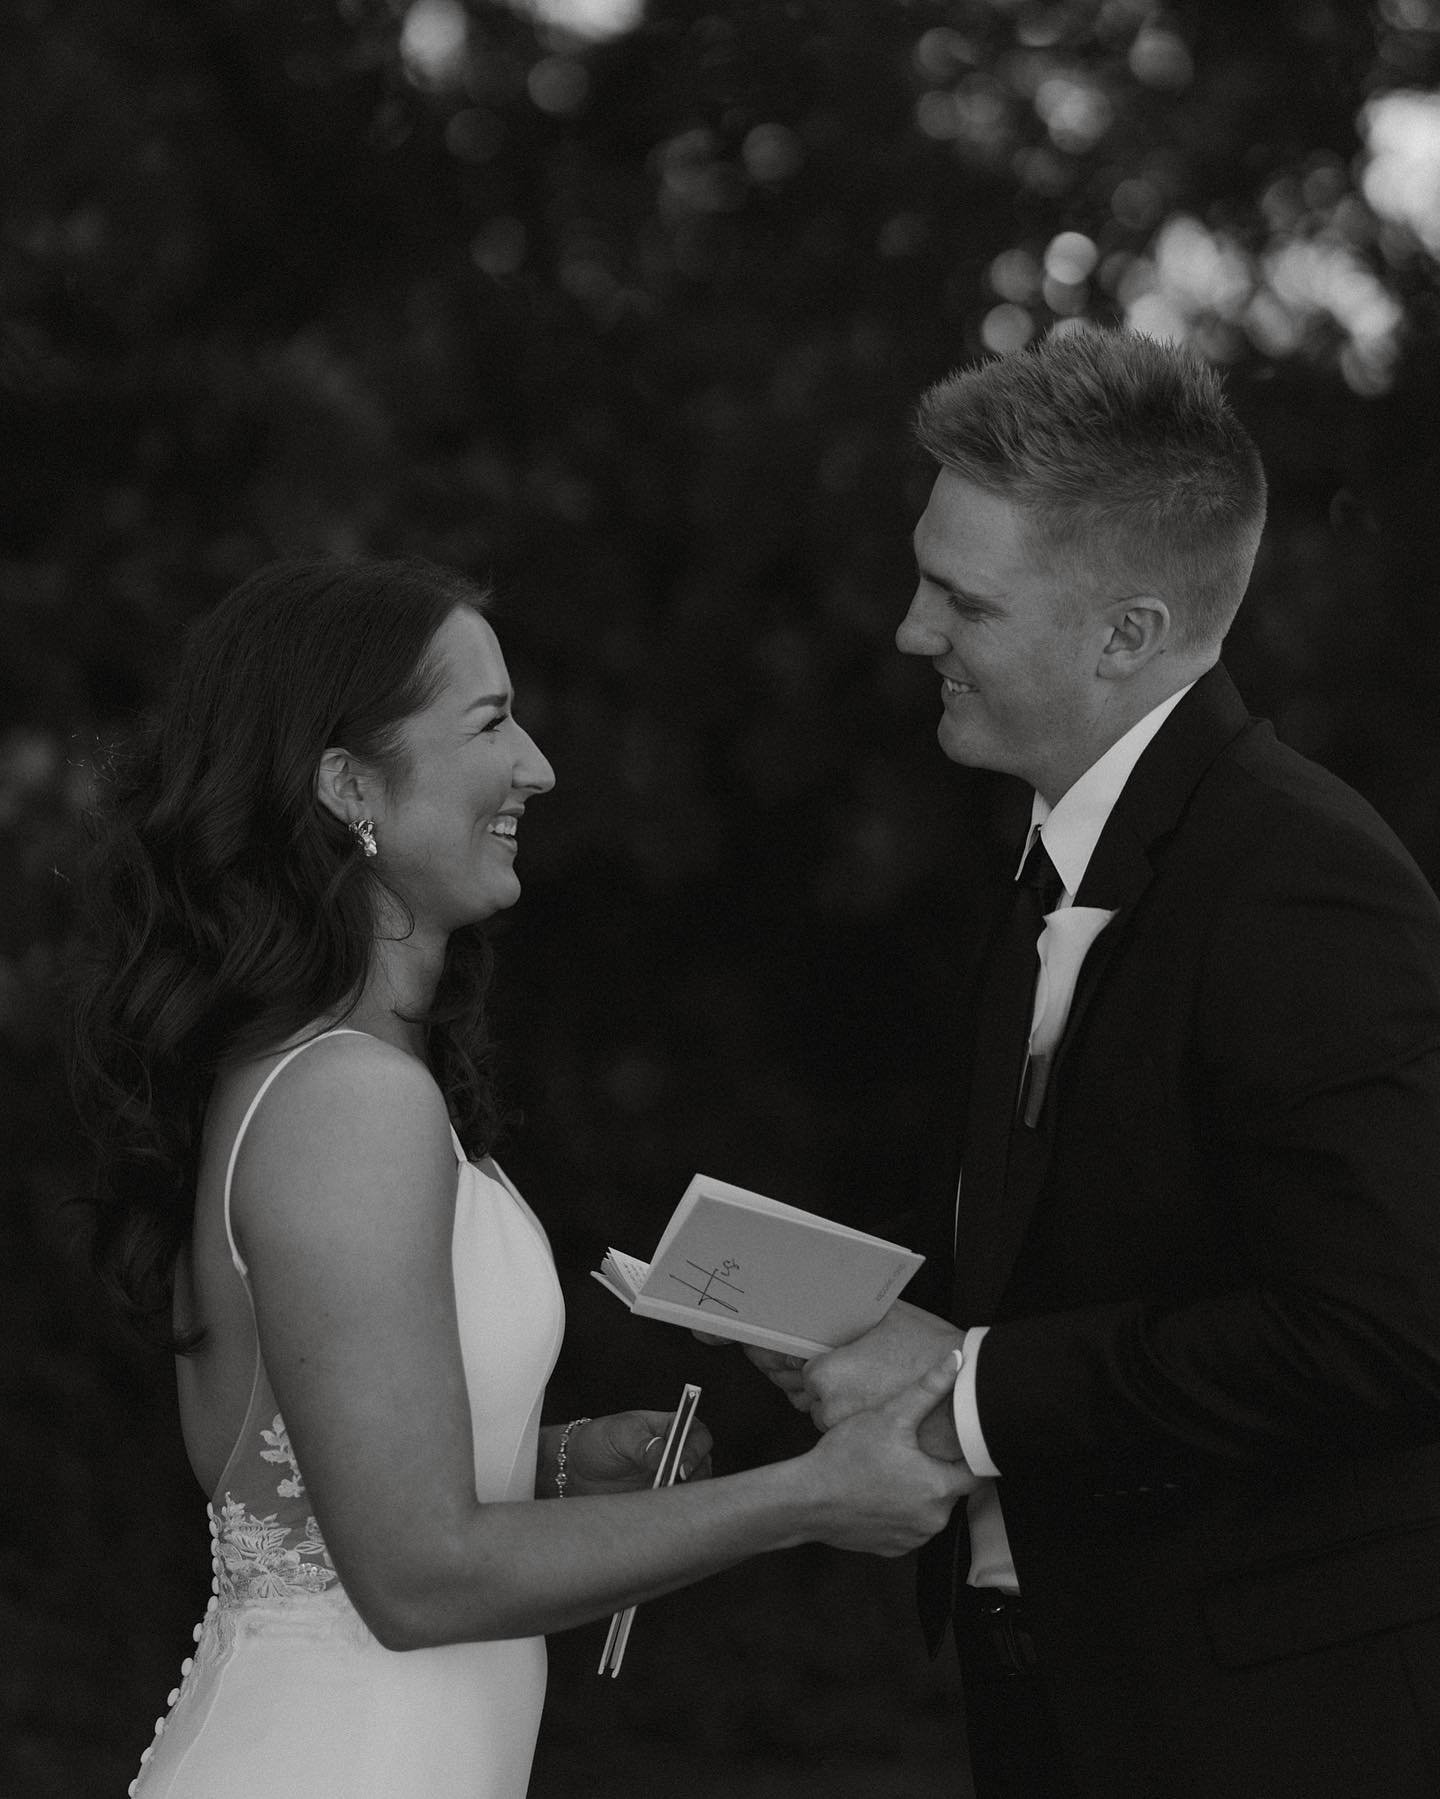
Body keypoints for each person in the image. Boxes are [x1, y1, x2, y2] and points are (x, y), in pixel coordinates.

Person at [68, 556, 973, 1799]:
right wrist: (810, 1494)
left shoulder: (350, 1079)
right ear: (345, 783)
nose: (538, 765)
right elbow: (416, 1574)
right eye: (490, 722)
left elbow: (331, 1480)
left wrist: (552, 1464)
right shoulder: (348, 1099)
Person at [747, 327, 1440, 1797]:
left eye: (960, 596)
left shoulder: (1301, 880)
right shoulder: (1058, 861)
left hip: (1266, 1729)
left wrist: (966, 1384)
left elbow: (1389, 1326)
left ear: (1124, 634)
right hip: (1066, 1689)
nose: (909, 629)